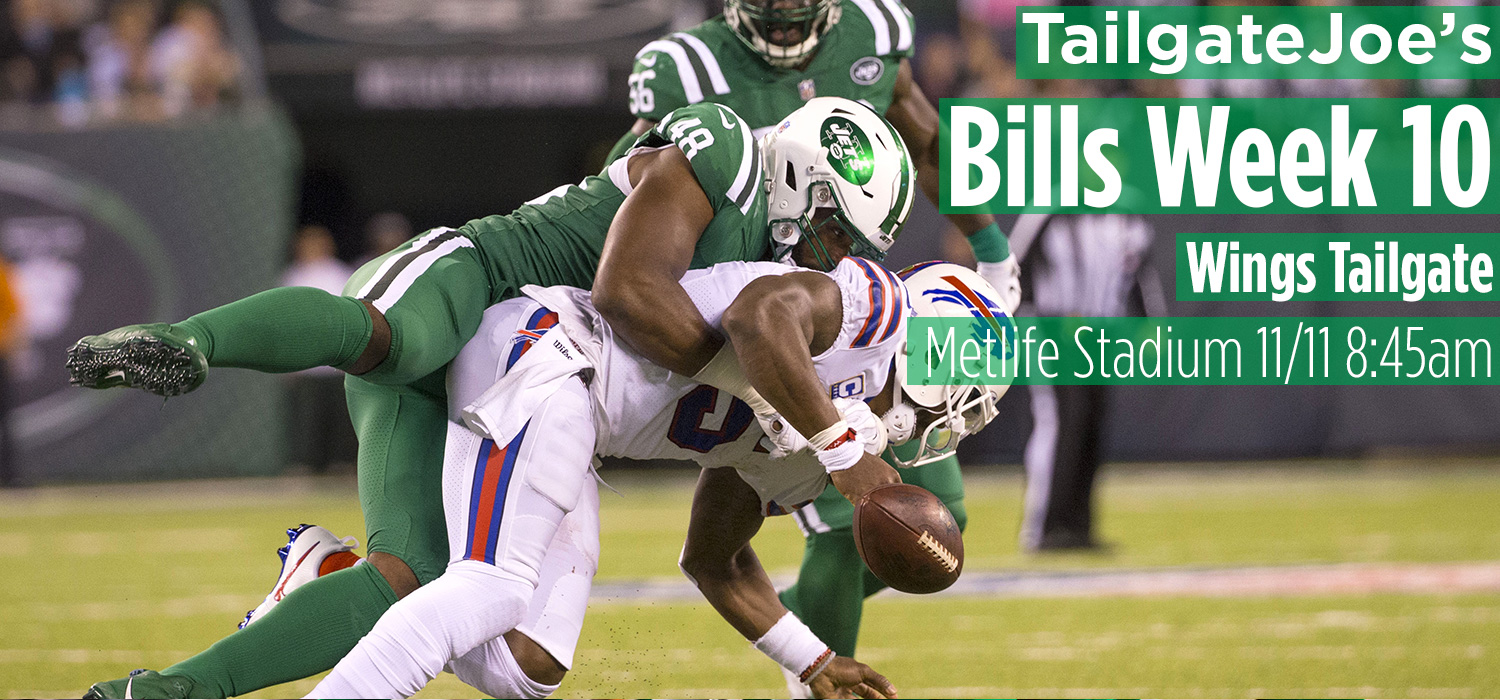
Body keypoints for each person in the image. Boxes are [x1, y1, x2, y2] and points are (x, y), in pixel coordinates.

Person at [74, 96, 915, 700]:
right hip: (483, 284)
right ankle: (190, 343)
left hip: (525, 386)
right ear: (805, 177)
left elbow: (717, 550)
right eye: (835, 229)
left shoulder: (783, 306)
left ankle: (166, 692)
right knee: (398, 340)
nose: (831, 256)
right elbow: (626, 292)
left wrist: (807, 660)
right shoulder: (723, 155)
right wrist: (770, 395)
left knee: (455, 613)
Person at [304, 258, 1006, 698]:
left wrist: (814, 659)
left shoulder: (819, 447)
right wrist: (843, 448)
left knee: (528, 668)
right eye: (963, 396)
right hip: (551, 352)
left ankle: (333, 578)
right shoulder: (868, 313)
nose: (956, 423)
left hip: (581, 423)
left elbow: (715, 561)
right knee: (493, 587)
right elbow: (757, 320)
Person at [614, 1, 1021, 688]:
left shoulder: (870, 32)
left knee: (939, 517)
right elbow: (634, 186)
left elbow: (923, 143)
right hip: (752, 311)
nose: (784, 24)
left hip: (843, 292)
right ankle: (815, 669)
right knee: (845, 513)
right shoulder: (686, 67)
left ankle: (797, 625)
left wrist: (993, 251)